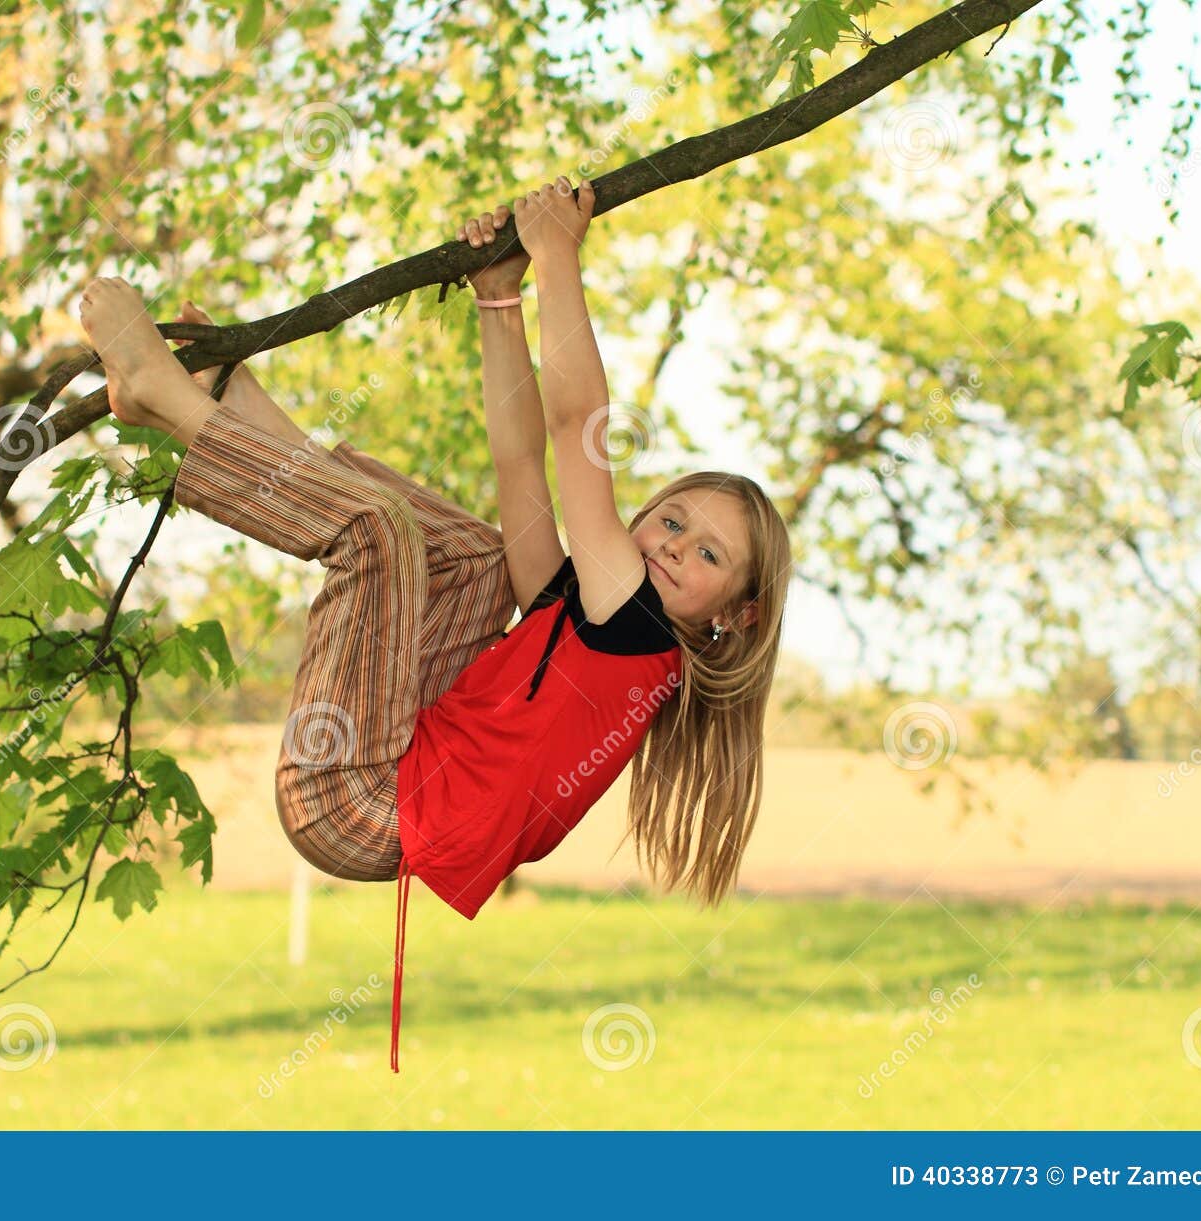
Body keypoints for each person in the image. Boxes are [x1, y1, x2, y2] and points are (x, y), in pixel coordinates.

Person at [76, 175, 793, 1073]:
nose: (677, 546)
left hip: (359, 797)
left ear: (733, 617)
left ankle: (162, 397)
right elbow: (520, 454)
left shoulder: (640, 628)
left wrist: (560, 254)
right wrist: (501, 294)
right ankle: (228, 410)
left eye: (711, 557)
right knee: (471, 553)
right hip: (393, 756)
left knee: (377, 538)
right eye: (675, 519)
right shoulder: (588, 612)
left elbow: (579, 427)